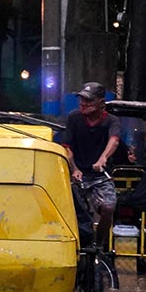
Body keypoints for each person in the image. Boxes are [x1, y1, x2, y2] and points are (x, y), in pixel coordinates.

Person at [58, 82, 121, 247]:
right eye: (82, 100)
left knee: (108, 207)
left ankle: (99, 245)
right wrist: (75, 169)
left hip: (100, 176)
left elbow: (114, 141)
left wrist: (103, 159)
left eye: (88, 101)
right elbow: (67, 147)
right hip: (78, 175)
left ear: (101, 103)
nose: (83, 104)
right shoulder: (74, 117)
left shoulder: (111, 121)